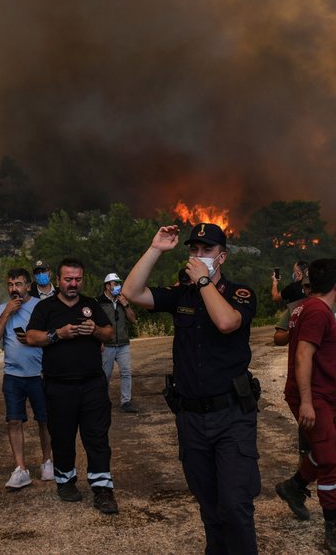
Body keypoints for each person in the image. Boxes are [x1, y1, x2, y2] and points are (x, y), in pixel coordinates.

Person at [123, 223, 260, 554]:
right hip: (191, 418)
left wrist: (202, 280)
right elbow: (131, 293)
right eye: (193, 250)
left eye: (207, 251)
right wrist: (155, 248)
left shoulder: (240, 293)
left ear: (222, 256)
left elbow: (227, 322)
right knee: (209, 506)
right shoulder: (180, 295)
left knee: (234, 505)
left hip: (231, 417)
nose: (198, 257)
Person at [24, 258, 119, 514]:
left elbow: (109, 333)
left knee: (97, 437)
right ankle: (65, 482)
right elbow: (31, 337)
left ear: (83, 279)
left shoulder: (90, 305)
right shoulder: (46, 308)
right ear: (58, 280)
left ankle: (102, 489)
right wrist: (58, 334)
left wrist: (95, 329)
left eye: (77, 279)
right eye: (68, 279)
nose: (73, 284)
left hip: (92, 385)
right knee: (63, 437)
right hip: (59, 386)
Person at [274, 258, 336, 554]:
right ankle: (334, 528)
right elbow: (303, 356)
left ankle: (294, 487)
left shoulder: (304, 307)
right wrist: (307, 402)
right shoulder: (318, 312)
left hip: (325, 397)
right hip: (314, 397)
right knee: (333, 462)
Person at [274, 295, 336, 491]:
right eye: (306, 286)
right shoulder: (297, 308)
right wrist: (296, 331)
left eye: (311, 285)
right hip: (314, 382)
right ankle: (307, 472)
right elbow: (282, 340)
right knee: (314, 430)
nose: (308, 290)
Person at [0, 268, 53, 489]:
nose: (14, 289)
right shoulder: (1, 309)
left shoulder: (40, 307)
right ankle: (21, 469)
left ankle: (47, 462)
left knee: (44, 420)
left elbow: (52, 338)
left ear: (28, 285)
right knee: (14, 421)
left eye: (18, 284)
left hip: (39, 374)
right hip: (13, 376)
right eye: (10, 285)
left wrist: (34, 340)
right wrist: (6, 313)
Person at [99, 273, 138, 413]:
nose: (118, 286)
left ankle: (126, 401)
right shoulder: (99, 302)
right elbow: (96, 325)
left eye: (118, 283)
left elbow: (133, 319)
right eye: (115, 283)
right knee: (105, 375)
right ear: (107, 286)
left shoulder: (123, 301)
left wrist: (126, 305)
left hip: (123, 344)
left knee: (126, 372)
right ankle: (102, 401)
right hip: (107, 345)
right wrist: (99, 341)